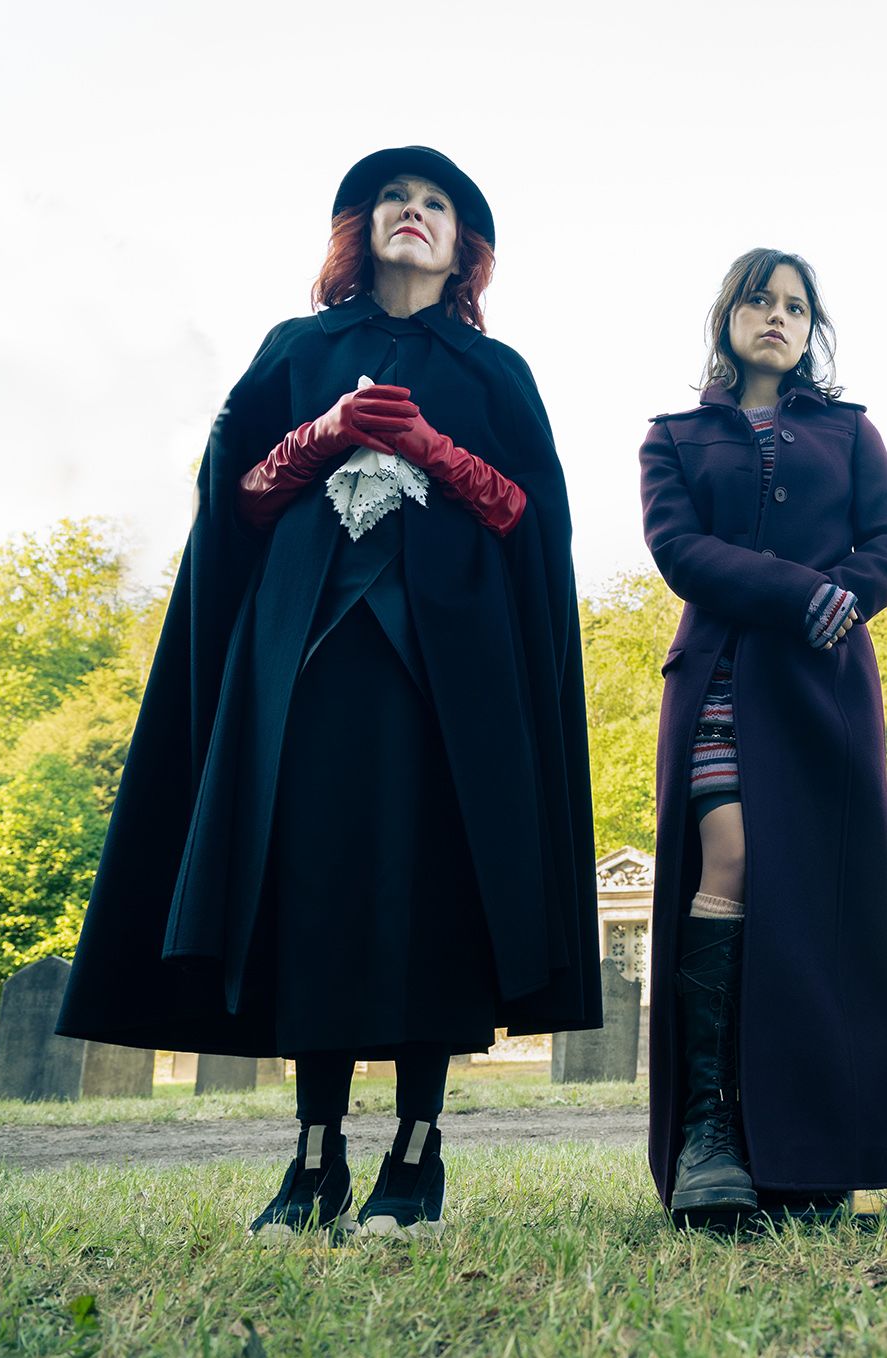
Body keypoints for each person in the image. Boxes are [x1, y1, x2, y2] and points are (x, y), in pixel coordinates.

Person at [57, 147, 599, 1238]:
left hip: (452, 679)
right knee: (316, 889)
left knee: (434, 889)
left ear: (464, 247)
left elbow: (529, 521)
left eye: (437, 203)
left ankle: (417, 1149)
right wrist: (321, 434)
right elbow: (236, 498)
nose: (414, 211)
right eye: (396, 197)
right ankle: (314, 1155)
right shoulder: (298, 349)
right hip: (309, 662)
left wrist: (434, 448)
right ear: (362, 226)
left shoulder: (499, 375)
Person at [638, 249, 887, 1227]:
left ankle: (805, 1149)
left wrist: (849, 595)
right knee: (736, 857)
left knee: (813, 897)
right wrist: (804, 592)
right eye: (760, 299)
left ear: (810, 329)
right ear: (728, 317)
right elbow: (678, 549)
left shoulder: (849, 430)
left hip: (823, 686)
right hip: (718, 673)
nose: (777, 316)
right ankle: (709, 1130)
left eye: (795, 305)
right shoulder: (671, 434)